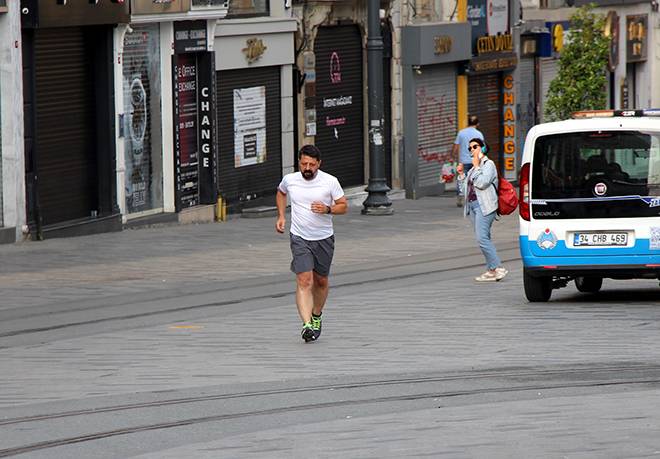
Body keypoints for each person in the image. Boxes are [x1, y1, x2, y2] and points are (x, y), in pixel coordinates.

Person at [276, 145, 348, 342]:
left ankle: (317, 315)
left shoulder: (330, 182)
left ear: (319, 164)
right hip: (299, 237)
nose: (307, 167)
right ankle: (307, 324)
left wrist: (327, 209)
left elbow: (344, 206)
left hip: (324, 238)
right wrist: (282, 216)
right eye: (303, 163)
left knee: (321, 281)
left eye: (311, 164)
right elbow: (281, 192)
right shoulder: (290, 180)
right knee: (304, 280)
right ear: (299, 162)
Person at [456, 138, 508, 282]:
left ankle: (498, 268)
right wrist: (461, 175)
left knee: (482, 238)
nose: (472, 150)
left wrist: (477, 166)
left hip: (485, 206)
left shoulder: (488, 164)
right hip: (473, 207)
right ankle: (491, 270)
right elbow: (464, 191)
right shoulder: (473, 168)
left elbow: (482, 183)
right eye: (470, 148)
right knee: (484, 238)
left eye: (475, 146)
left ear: (483, 148)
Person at [452, 115, 484, 207]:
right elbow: (482, 148)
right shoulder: (479, 134)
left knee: (462, 178)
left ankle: (460, 196)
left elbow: (456, 146)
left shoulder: (461, 133)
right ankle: (473, 197)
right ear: (477, 123)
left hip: (463, 161)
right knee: (474, 179)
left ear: (468, 123)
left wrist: (453, 155)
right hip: (475, 161)